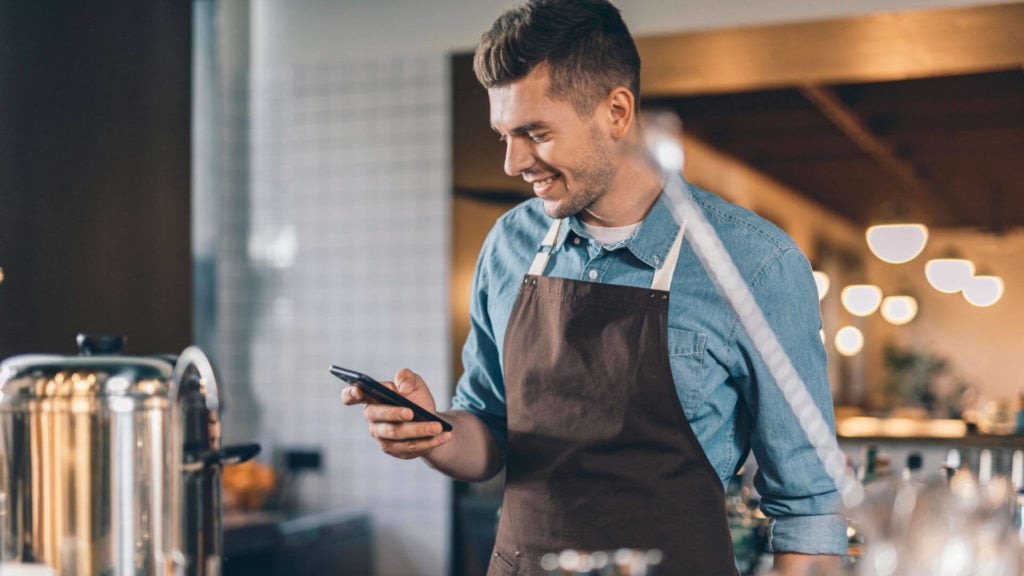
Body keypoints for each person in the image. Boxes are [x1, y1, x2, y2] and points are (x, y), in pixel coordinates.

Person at [342, 0, 847, 573]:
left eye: (535, 133)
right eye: (504, 134)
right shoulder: (508, 244)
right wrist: (432, 434)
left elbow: (811, 506)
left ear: (616, 111)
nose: (512, 162)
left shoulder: (757, 263)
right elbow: (487, 431)